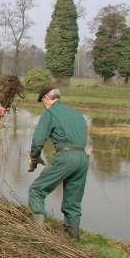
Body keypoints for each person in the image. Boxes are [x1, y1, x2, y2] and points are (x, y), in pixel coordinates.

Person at [28, 86, 89, 241]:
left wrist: (34, 158)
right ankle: (73, 238)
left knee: (36, 190)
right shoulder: (78, 115)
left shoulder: (50, 113)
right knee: (73, 201)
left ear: (46, 99)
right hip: (82, 159)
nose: (44, 105)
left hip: (66, 157)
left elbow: (38, 140)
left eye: (43, 102)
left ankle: (39, 234)